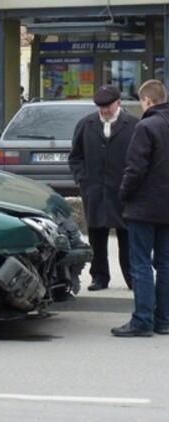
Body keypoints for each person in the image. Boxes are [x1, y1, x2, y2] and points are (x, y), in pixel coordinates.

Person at [112, 80, 169, 337]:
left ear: (147, 100)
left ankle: (142, 321)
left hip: (144, 208)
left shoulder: (145, 126)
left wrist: (123, 195)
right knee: (166, 264)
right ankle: (164, 320)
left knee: (141, 264)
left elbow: (135, 169)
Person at [69, 85, 138, 291]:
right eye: (101, 107)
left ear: (118, 103)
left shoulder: (134, 125)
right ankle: (99, 277)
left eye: (108, 106)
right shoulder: (86, 124)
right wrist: (82, 178)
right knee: (97, 236)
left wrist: (133, 183)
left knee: (126, 236)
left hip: (124, 190)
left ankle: (131, 277)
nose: (105, 111)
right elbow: (76, 157)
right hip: (95, 190)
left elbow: (140, 158)